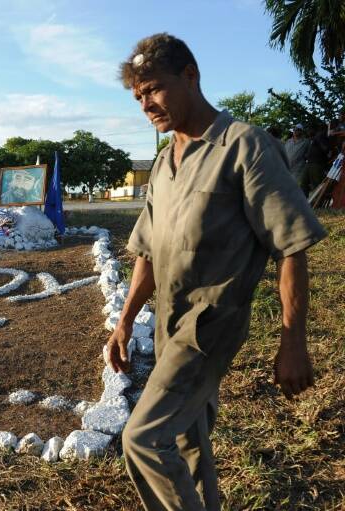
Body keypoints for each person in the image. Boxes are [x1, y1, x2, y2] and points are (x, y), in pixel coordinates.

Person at [111, 33, 326, 511]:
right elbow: (147, 251)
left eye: (155, 89)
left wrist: (293, 341)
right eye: (138, 96)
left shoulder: (243, 146)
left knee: (145, 439)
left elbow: (291, 245)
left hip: (210, 324)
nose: (147, 104)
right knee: (186, 437)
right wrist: (125, 321)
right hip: (168, 322)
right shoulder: (165, 161)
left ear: (190, 76)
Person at [285, 123, 311, 192]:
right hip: (286, 169)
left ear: (301, 131)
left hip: (298, 170)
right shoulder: (288, 141)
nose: (295, 131)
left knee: (295, 189)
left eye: (298, 130)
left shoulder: (306, 142)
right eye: (294, 129)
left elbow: (308, 155)